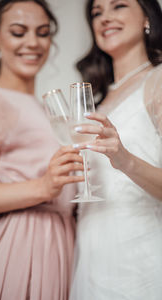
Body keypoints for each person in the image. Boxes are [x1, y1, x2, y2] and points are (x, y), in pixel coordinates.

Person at [0, 1, 84, 299]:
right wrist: (44, 186)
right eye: (19, 32)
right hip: (20, 243)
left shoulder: (46, 109)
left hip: (60, 242)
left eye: (42, 33)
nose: (32, 42)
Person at [70, 0, 162, 299]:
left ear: (148, 17)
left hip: (140, 254)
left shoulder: (158, 80)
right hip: (91, 252)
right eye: (97, 12)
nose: (105, 18)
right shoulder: (96, 100)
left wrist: (125, 160)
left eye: (118, 5)